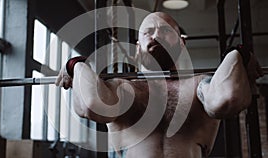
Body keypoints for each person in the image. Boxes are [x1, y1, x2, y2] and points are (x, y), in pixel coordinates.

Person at [55, 12, 263, 158]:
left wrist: (239, 54)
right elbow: (91, 105)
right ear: (137, 48)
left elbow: (229, 99)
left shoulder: (201, 85)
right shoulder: (123, 88)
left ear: (182, 43)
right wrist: (77, 66)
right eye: (148, 32)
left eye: (164, 30)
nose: (155, 36)